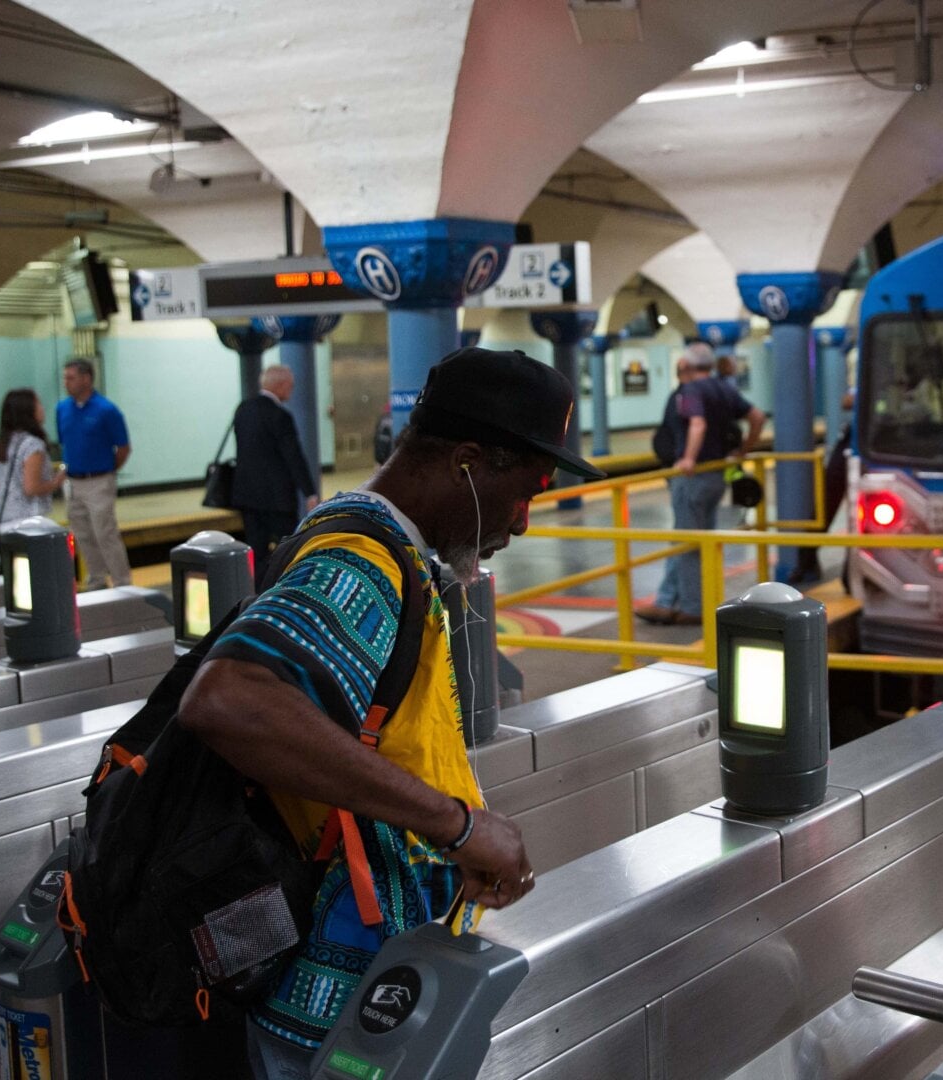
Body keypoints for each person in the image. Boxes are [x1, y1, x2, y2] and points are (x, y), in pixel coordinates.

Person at [177, 348, 603, 1078]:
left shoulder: (389, 550)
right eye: (524, 492)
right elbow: (228, 697)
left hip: (373, 981)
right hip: (333, 1006)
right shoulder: (360, 561)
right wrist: (456, 825)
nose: (524, 522)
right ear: (467, 463)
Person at [638, 343, 765, 626]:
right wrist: (742, 451)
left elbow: (698, 423)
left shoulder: (691, 390)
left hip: (693, 478)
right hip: (716, 475)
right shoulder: (724, 388)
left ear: (684, 364)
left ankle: (693, 608)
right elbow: (757, 417)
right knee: (693, 540)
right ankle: (666, 601)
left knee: (687, 544)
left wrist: (688, 458)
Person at [231, 366, 320, 577]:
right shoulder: (280, 415)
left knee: (256, 549)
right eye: (290, 386)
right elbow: (293, 457)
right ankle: (283, 585)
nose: (291, 390)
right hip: (277, 498)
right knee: (287, 549)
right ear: (280, 385)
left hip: (247, 495)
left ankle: (257, 587)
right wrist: (309, 492)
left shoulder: (243, 409)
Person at [56, 358, 133, 588]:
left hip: (99, 480)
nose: (66, 382)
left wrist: (107, 471)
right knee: (82, 534)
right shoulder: (62, 409)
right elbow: (64, 442)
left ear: (86, 378)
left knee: (105, 533)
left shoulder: (107, 410)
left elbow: (123, 448)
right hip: (73, 481)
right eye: (65, 378)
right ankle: (96, 579)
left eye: (71, 378)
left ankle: (122, 582)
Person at [0, 389, 66, 558]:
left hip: (4, 523)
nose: (42, 408)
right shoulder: (33, 445)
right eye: (38, 404)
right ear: (27, 410)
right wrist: (57, 481)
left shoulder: (4, 442)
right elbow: (31, 487)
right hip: (29, 524)